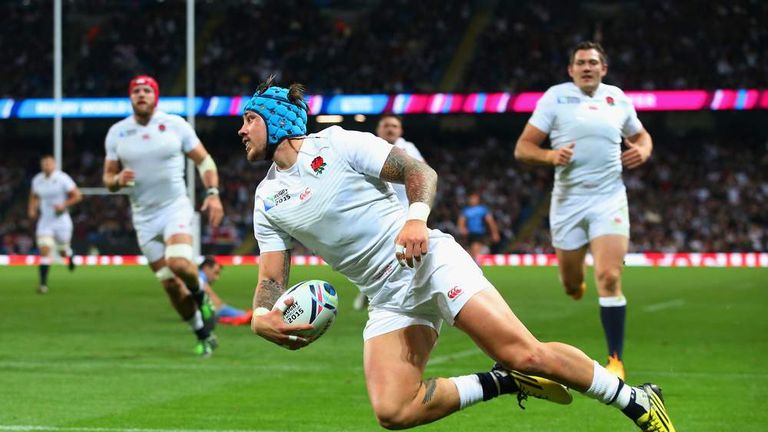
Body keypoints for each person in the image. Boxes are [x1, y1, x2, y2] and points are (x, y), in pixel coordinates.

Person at [242, 78, 675, 432]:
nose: (241, 130)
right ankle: (501, 382)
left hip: (429, 261)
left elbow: (418, 171)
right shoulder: (267, 199)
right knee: (394, 411)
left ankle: (635, 399)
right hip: (387, 296)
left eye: (249, 119)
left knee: (526, 353)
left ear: (276, 120)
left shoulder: (337, 144)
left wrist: (415, 218)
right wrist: (261, 316)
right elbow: (271, 281)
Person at [514, 41, 654, 380]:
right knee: (571, 283)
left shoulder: (618, 98)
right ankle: (575, 284)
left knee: (609, 276)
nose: (587, 67)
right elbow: (523, 148)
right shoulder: (555, 97)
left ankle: (615, 360)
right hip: (568, 202)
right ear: (571, 69)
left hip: (609, 199)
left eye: (593, 62)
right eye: (581, 62)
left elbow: (643, 136)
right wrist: (550, 156)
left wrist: (644, 151)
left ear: (603, 69)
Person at [102, 75, 224, 357]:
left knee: (179, 263)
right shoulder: (117, 133)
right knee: (170, 285)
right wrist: (118, 179)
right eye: (136, 91)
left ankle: (201, 295)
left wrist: (213, 193)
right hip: (144, 218)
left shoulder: (175, 125)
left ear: (155, 96)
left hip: (174, 208)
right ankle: (203, 333)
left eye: (147, 90)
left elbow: (204, 160)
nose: (141, 95)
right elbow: (108, 178)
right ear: (130, 97)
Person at [353, 114, 426, 310]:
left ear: (400, 131)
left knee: (402, 257)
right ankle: (370, 292)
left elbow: (423, 172)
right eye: (386, 125)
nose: (390, 129)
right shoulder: (369, 147)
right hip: (373, 213)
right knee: (375, 259)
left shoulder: (408, 148)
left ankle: (403, 297)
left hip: (403, 215)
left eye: (394, 126)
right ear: (378, 129)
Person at [28, 155, 82, 294]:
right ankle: (43, 285)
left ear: (54, 165)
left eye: (49, 163)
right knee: (45, 249)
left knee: (63, 251)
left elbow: (77, 195)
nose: (46, 166)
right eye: (44, 164)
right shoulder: (37, 180)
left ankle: (69, 256)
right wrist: (32, 208)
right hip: (45, 221)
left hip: (61, 221)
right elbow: (34, 196)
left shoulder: (62, 178)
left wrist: (64, 205)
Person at [198, 255, 252, 326]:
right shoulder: (200, 278)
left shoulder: (196, 276)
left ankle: (245, 315)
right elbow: (218, 305)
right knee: (219, 309)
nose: (216, 278)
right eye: (215, 273)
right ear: (206, 268)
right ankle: (245, 315)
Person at [457, 192, 501, 260]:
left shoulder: (482, 209)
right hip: (469, 233)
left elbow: (490, 222)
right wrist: (462, 229)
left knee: (475, 248)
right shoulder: (466, 210)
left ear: (478, 199)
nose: (472, 200)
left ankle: (476, 264)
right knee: (471, 251)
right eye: (471, 198)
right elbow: (461, 221)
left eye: (474, 198)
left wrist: (495, 233)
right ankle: (475, 263)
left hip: (479, 233)